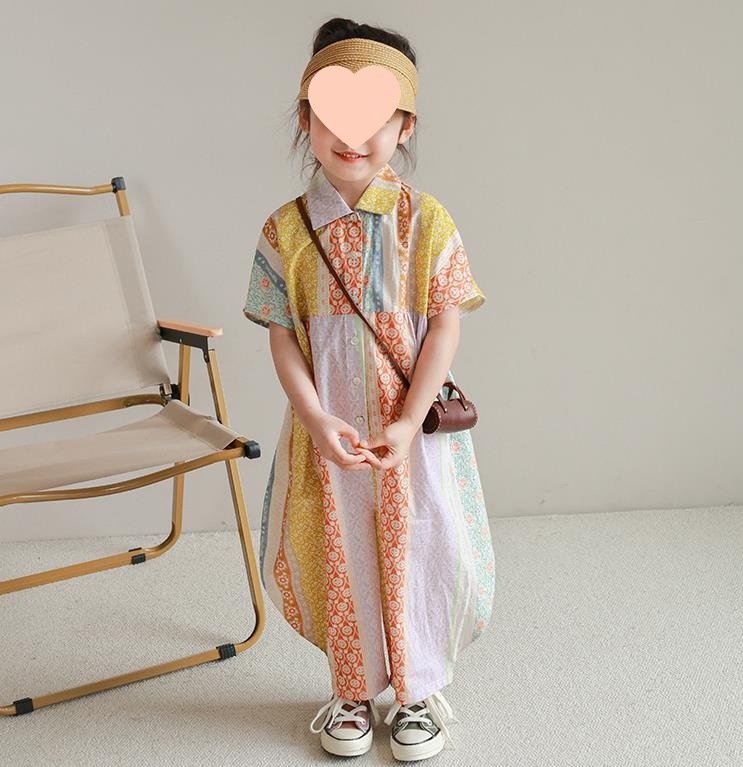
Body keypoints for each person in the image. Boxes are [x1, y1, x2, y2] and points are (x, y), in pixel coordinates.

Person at [242, 17, 496, 762]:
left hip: (409, 432)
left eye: (375, 118)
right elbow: (282, 334)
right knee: (340, 547)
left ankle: (417, 690)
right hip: (330, 436)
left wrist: (411, 420)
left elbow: (444, 326)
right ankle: (351, 688)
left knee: (423, 543)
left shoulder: (427, 221)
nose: (351, 137)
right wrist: (315, 417)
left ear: (404, 125)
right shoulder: (285, 231)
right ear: (305, 119)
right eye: (332, 116)